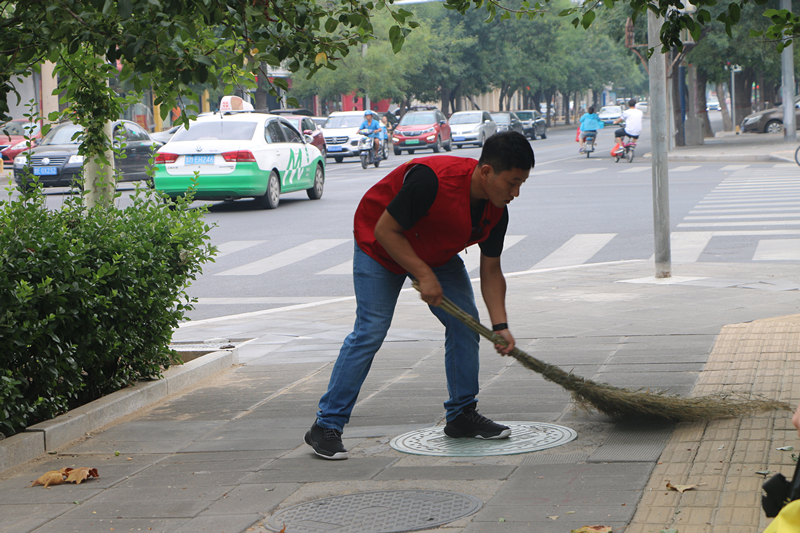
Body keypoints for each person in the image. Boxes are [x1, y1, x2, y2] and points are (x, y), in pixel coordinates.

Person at [304, 131, 535, 460]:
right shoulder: (432, 181)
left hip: (434, 251)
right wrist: (424, 275)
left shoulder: (496, 210)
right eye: (512, 183)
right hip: (381, 246)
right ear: (486, 172)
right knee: (371, 330)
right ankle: (326, 424)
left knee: (465, 324)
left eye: (521, 184)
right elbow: (385, 230)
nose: (516, 193)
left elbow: (491, 270)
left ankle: (462, 415)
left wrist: (500, 326)